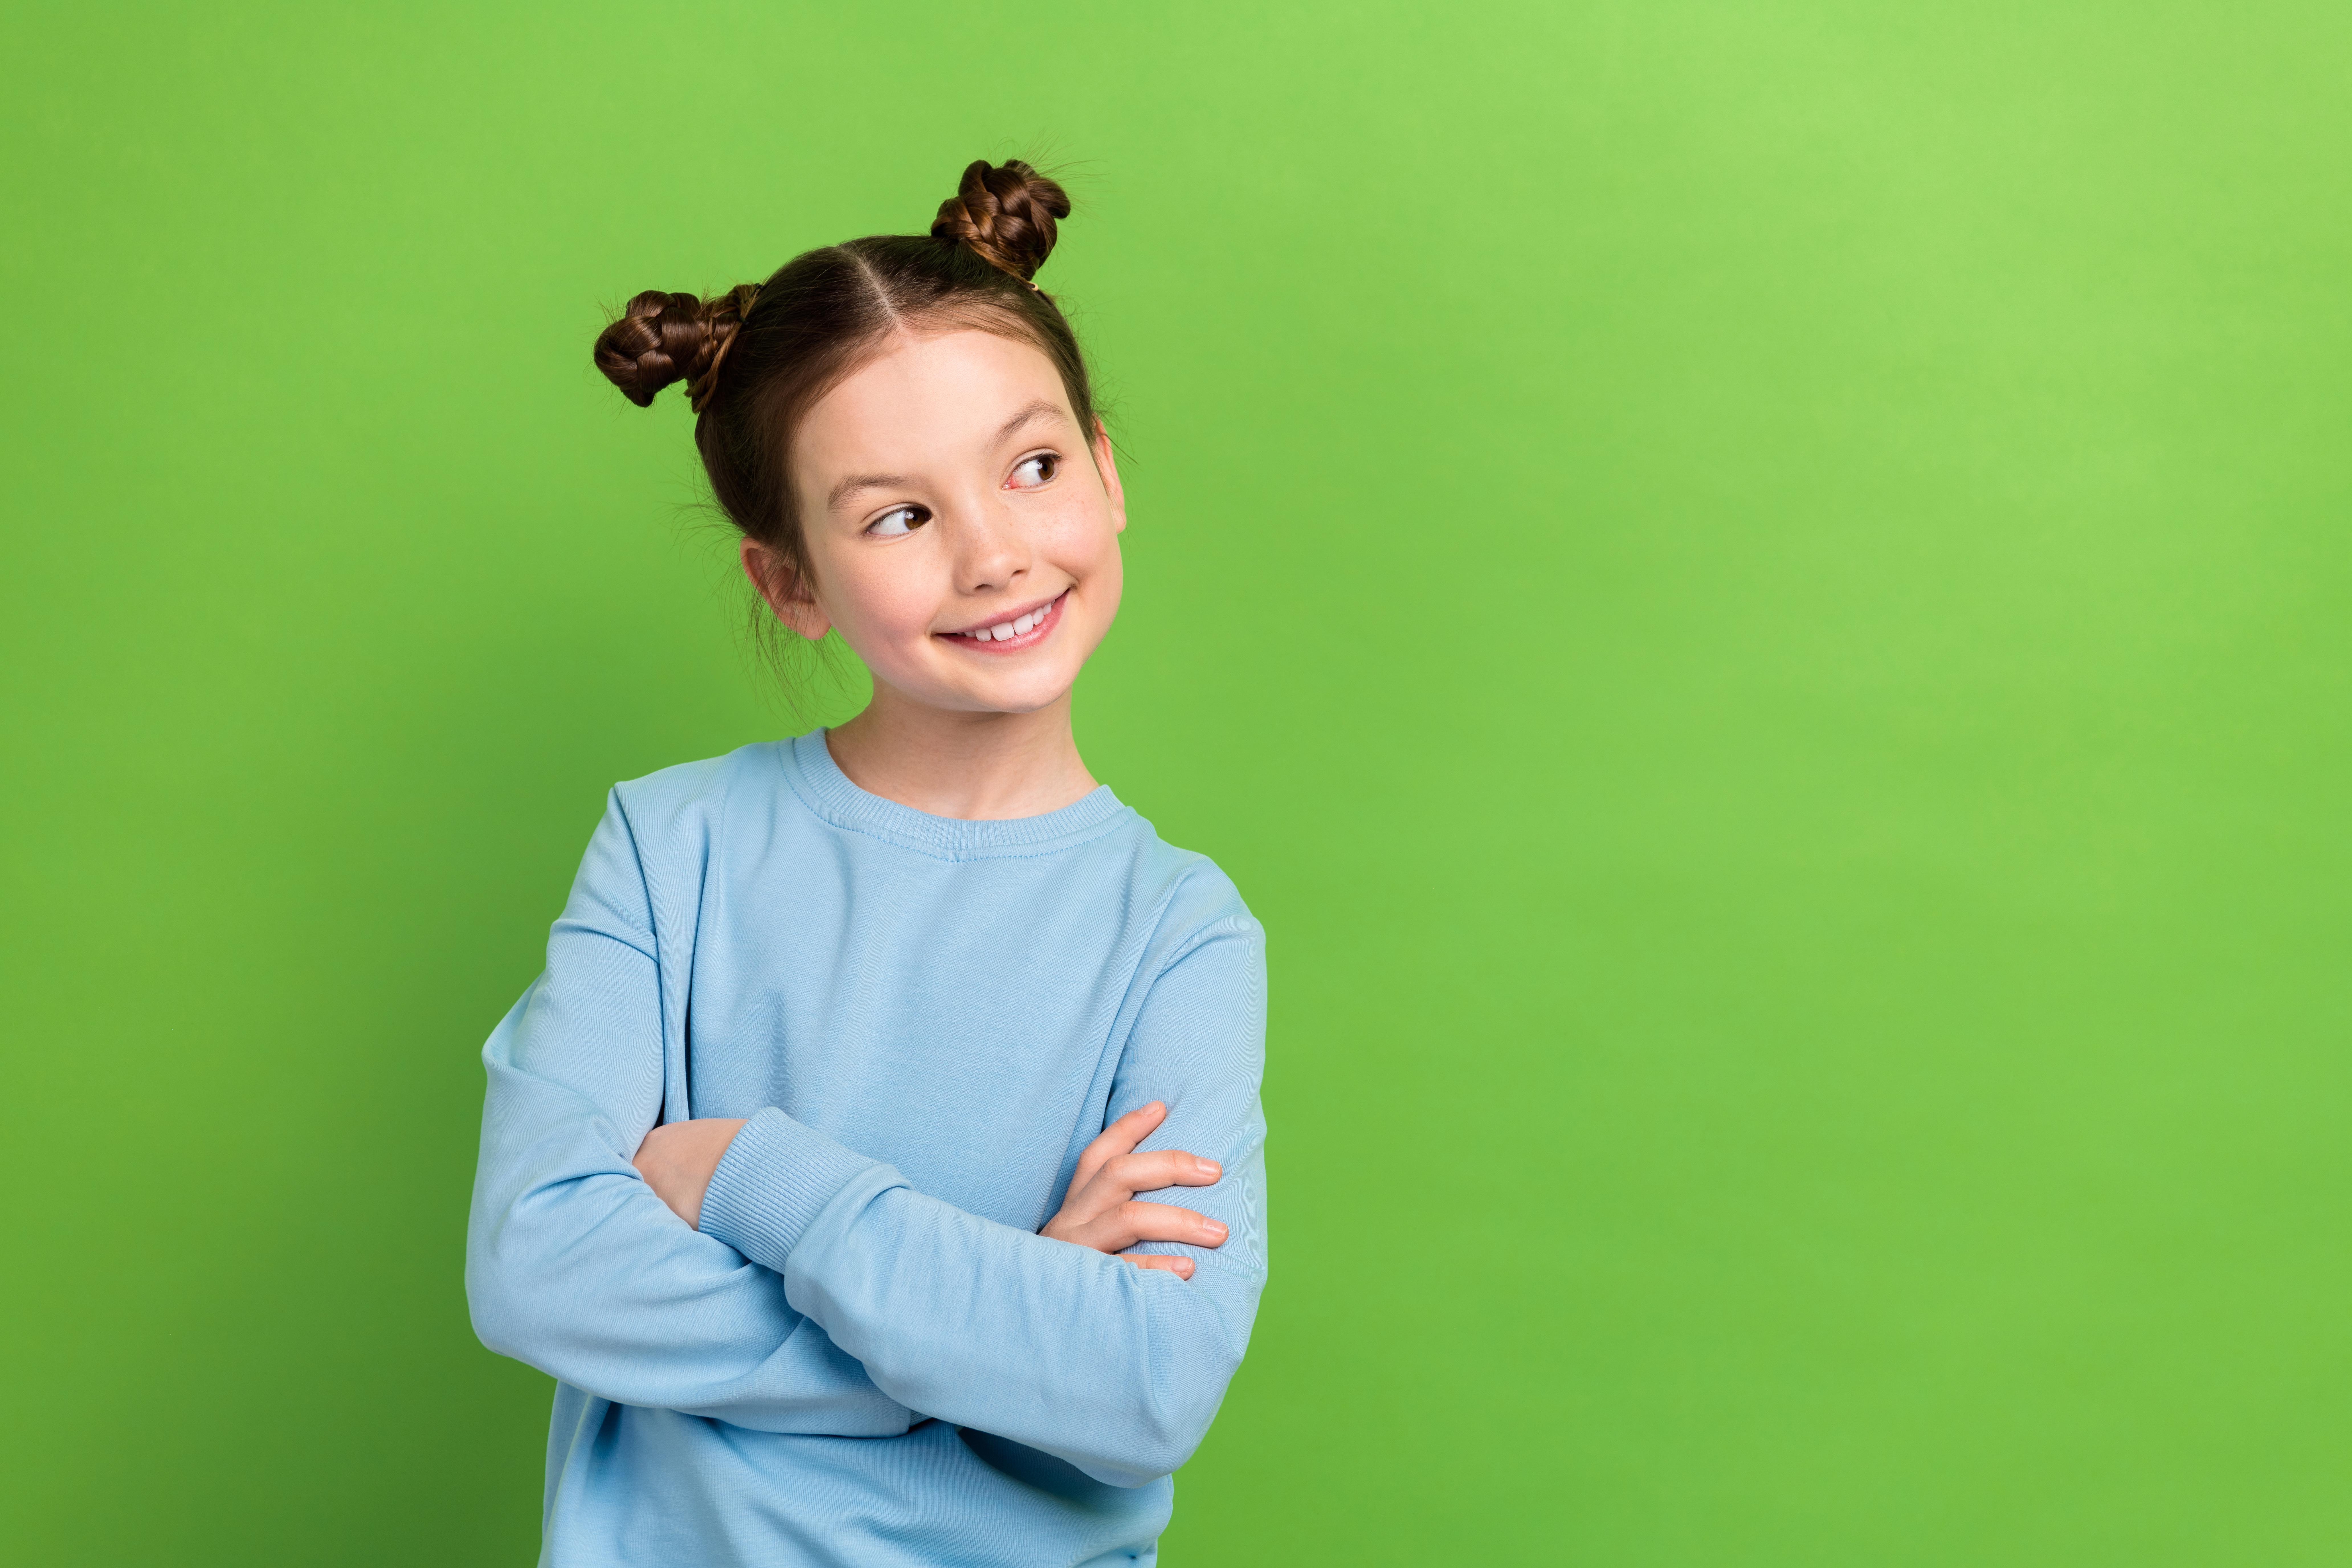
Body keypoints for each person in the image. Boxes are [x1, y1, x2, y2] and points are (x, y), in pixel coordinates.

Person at [464, 158, 1269, 1567]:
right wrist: (998, 1318)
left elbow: (1146, 1384)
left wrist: (756, 1177)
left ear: (1108, 470)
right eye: (899, 515)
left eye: (1034, 466)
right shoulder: (671, 849)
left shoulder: (1178, 929)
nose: (995, 553)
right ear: (792, 583)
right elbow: (538, 1260)